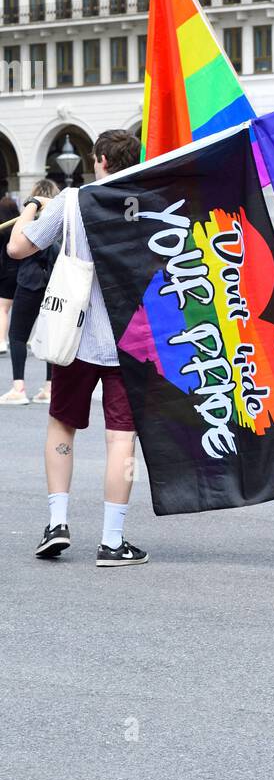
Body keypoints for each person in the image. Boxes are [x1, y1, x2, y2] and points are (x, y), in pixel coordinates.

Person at [7, 130, 148, 565]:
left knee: (62, 427)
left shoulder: (71, 201)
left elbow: (16, 247)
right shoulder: (148, 203)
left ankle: (57, 523)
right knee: (121, 437)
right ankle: (112, 540)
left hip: (75, 336)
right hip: (128, 339)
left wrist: (32, 205)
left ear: (100, 159)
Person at [0, 179, 60, 406]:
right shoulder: (60, 217)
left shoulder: (32, 218)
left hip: (30, 280)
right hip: (55, 281)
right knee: (50, 334)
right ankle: (49, 387)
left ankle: (19, 387)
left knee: (17, 335)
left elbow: (15, 248)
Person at [0, 194, 21, 354]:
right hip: (26, 273)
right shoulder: (20, 226)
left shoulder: (2, 231)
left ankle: (1, 341)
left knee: (3, 309)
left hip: (7, 272)